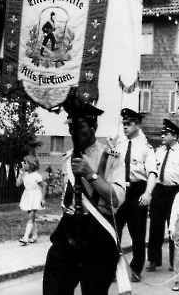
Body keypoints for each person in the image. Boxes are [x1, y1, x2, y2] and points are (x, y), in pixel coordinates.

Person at [42, 99, 126, 295]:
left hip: (98, 231)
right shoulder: (67, 157)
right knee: (54, 288)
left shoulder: (111, 157)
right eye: (71, 128)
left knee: (94, 290)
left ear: (94, 126)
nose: (74, 133)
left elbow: (117, 199)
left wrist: (91, 175)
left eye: (79, 127)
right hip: (69, 229)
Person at [112, 108, 157, 283]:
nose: (124, 127)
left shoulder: (146, 148)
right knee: (113, 232)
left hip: (138, 191)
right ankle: (113, 268)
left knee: (137, 234)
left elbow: (152, 173)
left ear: (137, 125)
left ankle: (136, 268)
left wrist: (148, 192)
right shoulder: (119, 146)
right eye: (123, 123)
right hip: (120, 191)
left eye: (128, 124)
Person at [146, 119, 179, 272]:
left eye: (165, 134)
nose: (162, 136)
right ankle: (154, 260)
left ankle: (175, 261)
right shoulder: (158, 151)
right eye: (162, 133)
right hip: (159, 190)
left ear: (174, 136)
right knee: (155, 226)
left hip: (175, 191)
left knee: (175, 227)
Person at [16, 154, 47, 245]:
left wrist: (43, 198)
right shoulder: (24, 174)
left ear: (31, 164)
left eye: (25, 163)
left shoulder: (36, 175)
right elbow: (18, 184)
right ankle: (34, 235)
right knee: (31, 217)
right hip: (27, 196)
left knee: (31, 216)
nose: (23, 164)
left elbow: (44, 186)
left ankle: (25, 237)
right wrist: (20, 175)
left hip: (35, 196)